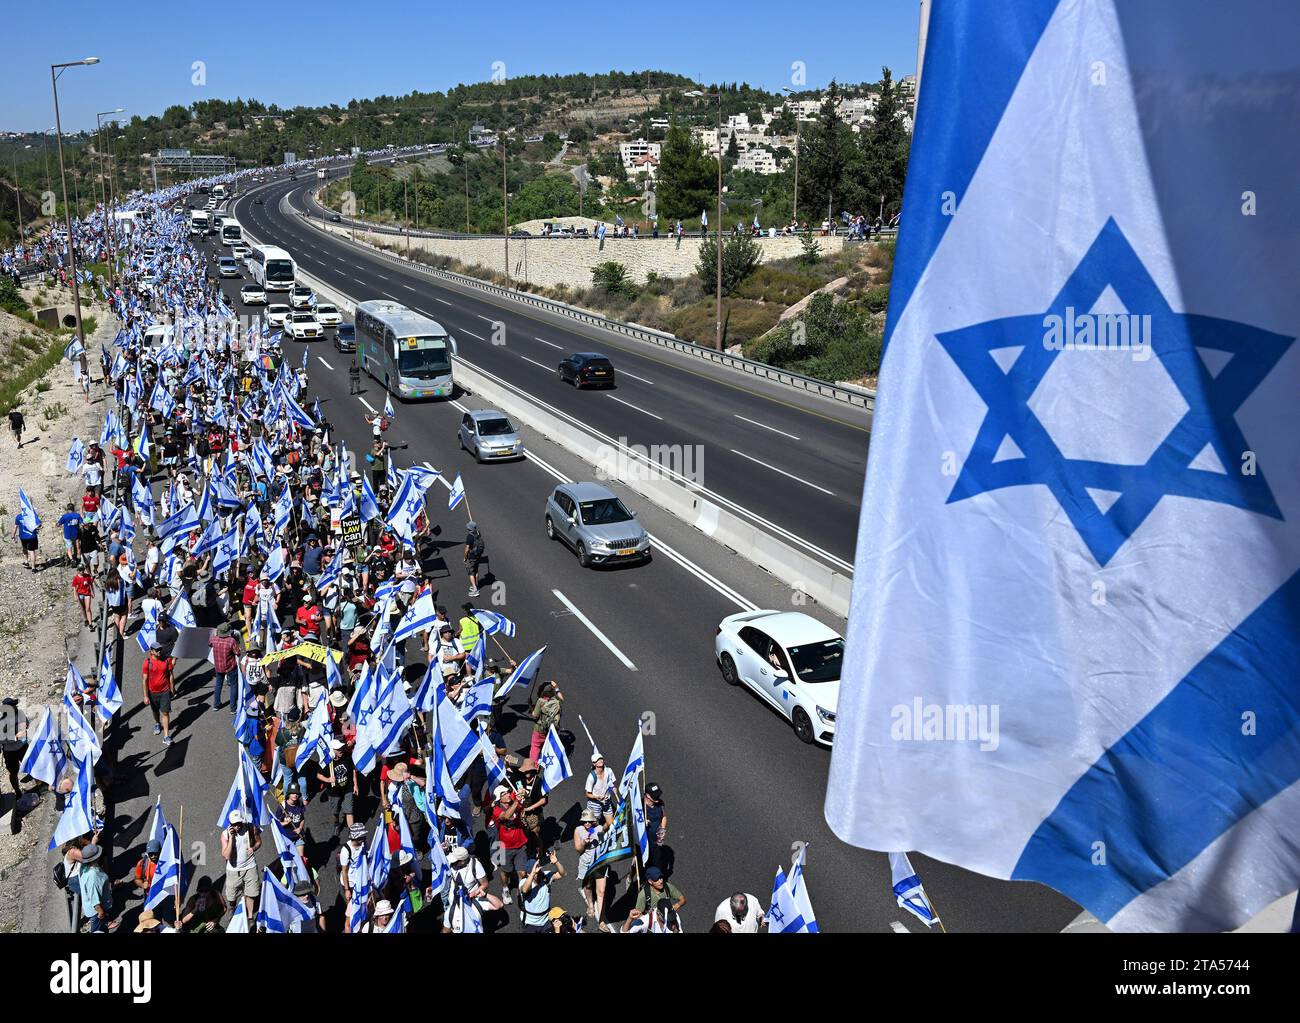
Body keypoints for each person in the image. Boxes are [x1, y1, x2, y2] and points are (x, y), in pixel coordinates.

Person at [220, 809, 263, 922]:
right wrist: (232, 838)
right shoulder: (225, 835)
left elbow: (259, 842)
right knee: (232, 895)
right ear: (230, 824)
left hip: (250, 866)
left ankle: (249, 916)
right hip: (233, 869)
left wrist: (253, 848)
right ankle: (232, 907)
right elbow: (226, 856)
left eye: (239, 823)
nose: (237, 827)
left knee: (251, 892)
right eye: (234, 825)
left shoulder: (250, 828)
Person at [519, 850, 565, 933]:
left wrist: (557, 862)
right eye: (535, 872)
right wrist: (533, 873)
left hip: (546, 920)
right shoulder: (524, 882)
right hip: (530, 923)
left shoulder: (545, 876)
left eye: (539, 870)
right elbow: (525, 890)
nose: (538, 873)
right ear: (528, 874)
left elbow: (562, 874)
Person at [141, 643, 177, 746]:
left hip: (165, 691)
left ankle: (166, 736)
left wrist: (172, 688)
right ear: (151, 651)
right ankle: (157, 723)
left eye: (160, 649)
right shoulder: (147, 663)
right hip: (152, 692)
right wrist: (145, 696)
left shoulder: (166, 660)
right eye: (156, 650)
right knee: (155, 711)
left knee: (165, 712)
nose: (159, 651)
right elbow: (144, 680)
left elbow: (170, 675)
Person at [78, 844, 119, 932]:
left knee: (102, 928)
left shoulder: (85, 867)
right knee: (98, 930)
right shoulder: (93, 876)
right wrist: (100, 912)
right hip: (96, 911)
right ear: (95, 858)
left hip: (95, 909)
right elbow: (94, 897)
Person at [208, 619, 243, 711]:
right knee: (234, 685)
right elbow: (237, 653)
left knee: (218, 685)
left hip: (218, 667)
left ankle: (216, 705)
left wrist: (215, 635)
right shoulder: (231, 641)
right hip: (230, 666)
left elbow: (209, 644)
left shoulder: (214, 639)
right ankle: (233, 708)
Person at [528, 680, 563, 761]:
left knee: (535, 747)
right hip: (551, 729)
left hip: (540, 729)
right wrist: (556, 687)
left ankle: (533, 767)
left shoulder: (540, 701)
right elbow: (561, 698)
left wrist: (531, 707)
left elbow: (535, 715)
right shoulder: (556, 701)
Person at [645, 781, 668, 871]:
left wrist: (662, 829)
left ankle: (656, 879)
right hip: (645, 839)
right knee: (641, 862)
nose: (658, 797)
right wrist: (643, 821)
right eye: (654, 795)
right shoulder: (640, 806)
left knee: (657, 861)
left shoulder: (660, 803)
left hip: (656, 838)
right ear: (648, 795)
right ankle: (631, 876)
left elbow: (664, 816)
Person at [11, 503, 39, 572]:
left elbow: (15, 527)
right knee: (32, 551)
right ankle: (33, 568)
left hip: (22, 537)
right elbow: (39, 525)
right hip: (32, 536)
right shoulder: (32, 516)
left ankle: (26, 562)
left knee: (24, 548)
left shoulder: (18, 517)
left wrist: (13, 535)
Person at [463, 521, 485, 597]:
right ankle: (476, 585)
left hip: (472, 556)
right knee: (476, 570)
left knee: (471, 572)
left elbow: (467, 548)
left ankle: (475, 590)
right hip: (478, 555)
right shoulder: (478, 533)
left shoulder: (469, 536)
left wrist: (465, 557)